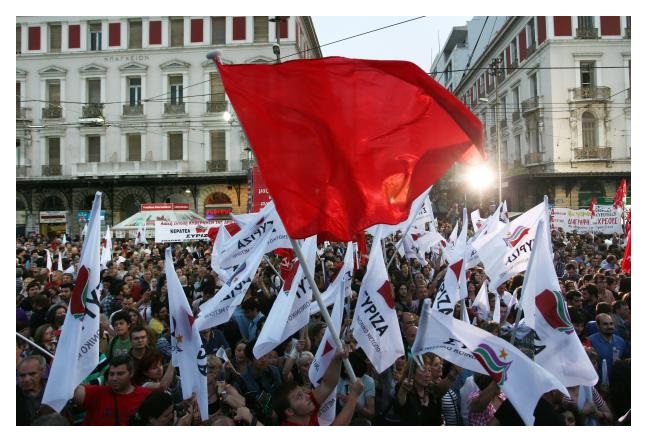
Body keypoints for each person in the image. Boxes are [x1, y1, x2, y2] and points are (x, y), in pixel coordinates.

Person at [273, 348, 364, 426]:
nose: (308, 396)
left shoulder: (306, 407)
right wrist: (354, 395)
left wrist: (337, 358)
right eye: (300, 396)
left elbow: (327, 385)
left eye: (303, 393)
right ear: (289, 411)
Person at [72, 355, 152, 425]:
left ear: (131, 373)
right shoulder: (97, 393)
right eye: (111, 374)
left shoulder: (146, 396)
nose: (114, 378)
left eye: (120, 374)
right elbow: (70, 391)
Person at [588, 313, 628, 381]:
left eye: (611, 323)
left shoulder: (621, 341)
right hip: (598, 384)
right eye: (605, 324)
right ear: (598, 326)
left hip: (618, 383)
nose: (609, 326)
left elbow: (625, 361)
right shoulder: (590, 341)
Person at [17, 355, 47, 425]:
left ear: (43, 372)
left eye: (32, 374)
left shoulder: (53, 389)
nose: (26, 379)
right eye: (22, 375)